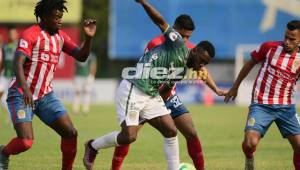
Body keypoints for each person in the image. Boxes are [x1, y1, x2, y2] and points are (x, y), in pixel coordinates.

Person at [83, 0, 216, 170]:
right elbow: (160, 21)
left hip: (151, 95)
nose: (201, 66)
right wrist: (143, 2)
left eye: (205, 64)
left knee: (171, 130)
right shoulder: (177, 44)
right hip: (134, 88)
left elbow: (166, 90)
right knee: (129, 136)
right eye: (201, 61)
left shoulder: (182, 71)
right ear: (194, 50)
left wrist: (153, 110)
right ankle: (93, 146)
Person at [110, 14, 226, 170]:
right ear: (175, 28)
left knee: (191, 132)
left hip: (169, 95)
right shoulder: (155, 43)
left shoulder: (189, 49)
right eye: (183, 35)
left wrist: (216, 89)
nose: (185, 40)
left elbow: (200, 69)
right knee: (129, 134)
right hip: (148, 94)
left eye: (188, 37)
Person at [0, 0, 96, 169]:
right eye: (56, 17)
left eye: (61, 17)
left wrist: (88, 39)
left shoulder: (61, 37)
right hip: (21, 94)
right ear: (44, 17)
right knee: (25, 142)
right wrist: (26, 89)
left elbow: (81, 56)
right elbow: (17, 63)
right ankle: (3, 152)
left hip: (46, 96)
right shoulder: (31, 34)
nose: (60, 21)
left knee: (70, 133)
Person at [224, 20, 300, 170]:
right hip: (261, 104)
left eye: (292, 39)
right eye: (285, 37)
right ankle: (249, 159)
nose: (287, 41)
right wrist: (235, 86)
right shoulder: (269, 47)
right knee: (250, 143)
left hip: (286, 108)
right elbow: (249, 63)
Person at [1, 28, 19, 124]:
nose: (12, 35)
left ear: (17, 35)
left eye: (13, 34)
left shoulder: (19, 46)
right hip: (5, 75)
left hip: (14, 76)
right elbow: (3, 60)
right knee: (2, 97)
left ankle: (14, 116)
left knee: (11, 97)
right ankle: (11, 114)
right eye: (10, 34)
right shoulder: (5, 46)